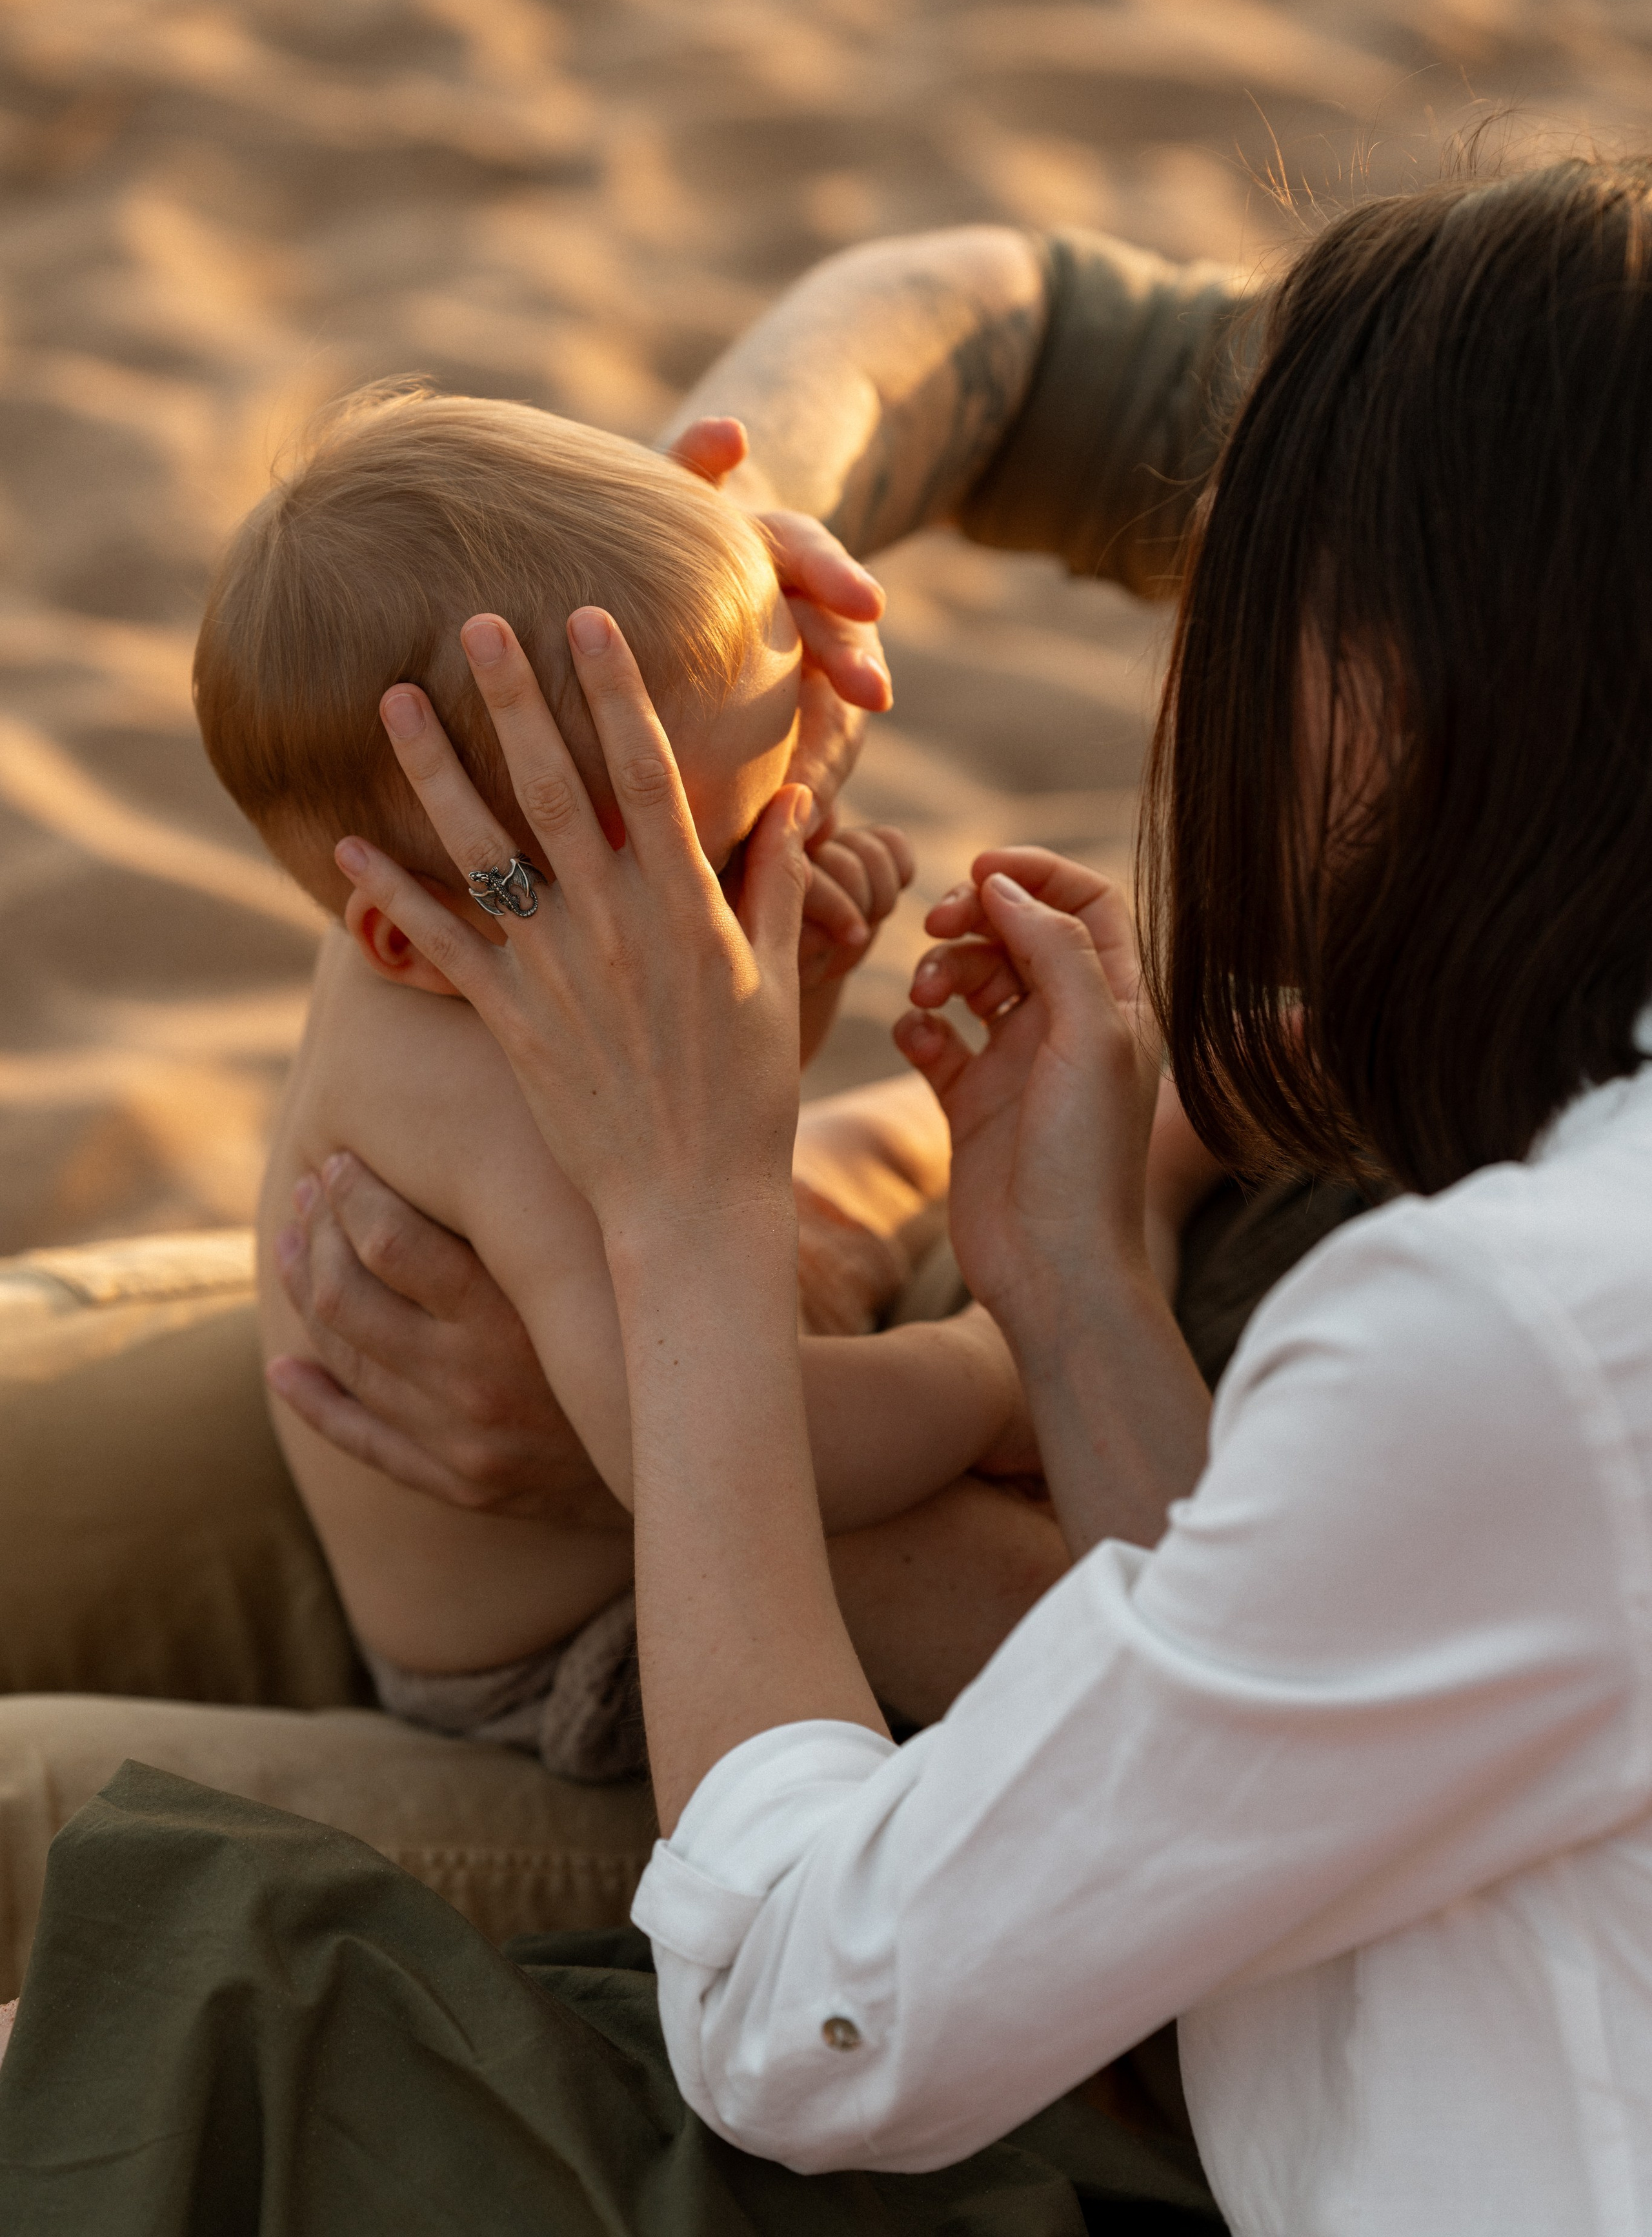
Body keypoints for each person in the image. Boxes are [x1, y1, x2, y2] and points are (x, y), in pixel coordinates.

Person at [6, 156, 1651, 2236]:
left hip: (722, 1646)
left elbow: (854, 1950)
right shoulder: (1531, 443)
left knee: (40, 1840)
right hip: (720, 1406)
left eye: (1256, 600)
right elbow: (1009, 320)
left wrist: (920, 1311)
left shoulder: (1518, 1340)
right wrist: (690, 553)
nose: (1191, 657)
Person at [196, 381, 1231, 1765]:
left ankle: (1111, 1192)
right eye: (710, 855)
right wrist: (991, 1367)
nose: (756, 875)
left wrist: (786, 979)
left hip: (667, 1337)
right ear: (405, 931)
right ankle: (1127, 1227)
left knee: (858, 1158)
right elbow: (724, 1443)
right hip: (588, 1619)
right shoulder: (481, 1111)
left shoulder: (458, 895)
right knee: (976, 1580)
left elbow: (706, 1149)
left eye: (752, 828)